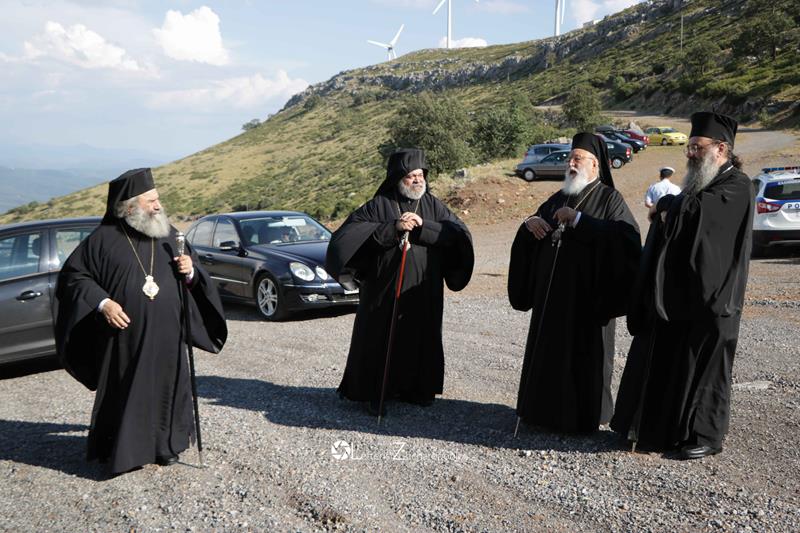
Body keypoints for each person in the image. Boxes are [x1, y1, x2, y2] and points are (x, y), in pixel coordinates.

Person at [56, 168, 227, 474]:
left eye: (158, 199)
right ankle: (127, 452)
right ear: (129, 207)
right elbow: (73, 277)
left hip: (169, 334)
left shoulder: (169, 235)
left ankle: (167, 446)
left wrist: (190, 271)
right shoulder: (101, 241)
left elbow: (194, 276)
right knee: (129, 390)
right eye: (151, 201)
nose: (158, 206)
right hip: (126, 338)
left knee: (169, 389)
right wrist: (103, 303)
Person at [611, 112, 753, 459]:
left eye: (697, 147)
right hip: (686, 294)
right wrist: (670, 208)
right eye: (689, 147)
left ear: (721, 148)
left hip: (717, 297)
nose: (690, 154)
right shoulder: (700, 184)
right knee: (676, 363)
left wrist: (667, 205)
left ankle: (705, 435)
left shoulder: (737, 185)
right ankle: (664, 432)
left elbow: (702, 216)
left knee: (707, 368)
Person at [507, 132, 641, 434]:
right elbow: (536, 222)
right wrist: (530, 223)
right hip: (551, 299)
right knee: (549, 355)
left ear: (595, 165)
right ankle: (540, 412)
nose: (571, 163)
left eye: (577, 158)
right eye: (570, 158)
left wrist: (580, 220)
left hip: (587, 301)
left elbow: (627, 239)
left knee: (582, 359)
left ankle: (580, 418)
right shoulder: (559, 197)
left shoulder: (609, 198)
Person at [325, 148, 474, 415]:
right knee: (379, 339)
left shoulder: (433, 205)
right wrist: (392, 228)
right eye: (411, 176)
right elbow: (346, 238)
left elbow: (457, 233)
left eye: (421, 175)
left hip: (424, 289)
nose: (417, 180)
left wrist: (424, 227)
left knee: (421, 336)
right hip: (383, 290)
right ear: (397, 178)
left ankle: (417, 390)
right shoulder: (378, 205)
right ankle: (375, 393)